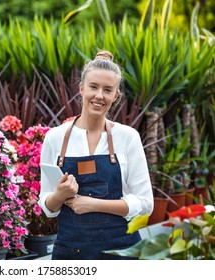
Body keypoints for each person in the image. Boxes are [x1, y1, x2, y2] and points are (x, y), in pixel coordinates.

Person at [38, 50, 154, 260]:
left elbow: (146, 203)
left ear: (116, 96)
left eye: (107, 90)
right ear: (82, 88)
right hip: (71, 253)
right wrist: (60, 195)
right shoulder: (54, 138)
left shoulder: (127, 137)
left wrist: (93, 205)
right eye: (93, 87)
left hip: (123, 252)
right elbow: (47, 207)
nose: (99, 95)